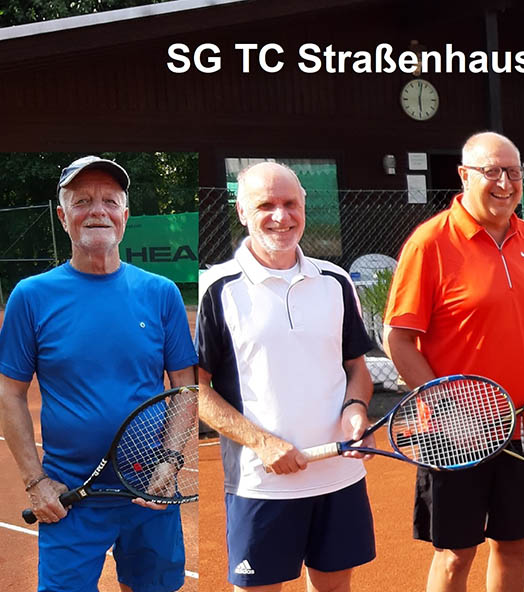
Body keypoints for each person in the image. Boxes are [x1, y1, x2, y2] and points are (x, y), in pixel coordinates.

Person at [383, 131, 524, 592]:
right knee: (454, 554)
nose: (505, 183)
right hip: (454, 435)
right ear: (464, 175)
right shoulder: (429, 243)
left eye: (513, 172)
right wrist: (449, 410)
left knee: (514, 544)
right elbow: (399, 340)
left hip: (522, 423)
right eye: (492, 171)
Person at [0, 155, 198, 592]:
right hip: (68, 496)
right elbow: (9, 395)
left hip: (150, 491)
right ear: (62, 215)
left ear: (125, 215)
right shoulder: (31, 297)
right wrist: (36, 482)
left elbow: (185, 387)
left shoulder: (160, 294)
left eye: (110, 200)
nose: (97, 210)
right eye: (82, 200)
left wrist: (170, 461)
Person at [197, 162, 376, 591]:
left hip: (338, 476)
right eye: (266, 205)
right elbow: (196, 390)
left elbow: (356, 368)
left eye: (290, 203)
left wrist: (355, 409)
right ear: (241, 211)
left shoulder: (334, 280)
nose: (281, 216)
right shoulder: (217, 287)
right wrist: (262, 442)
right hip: (261, 484)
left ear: (304, 207)